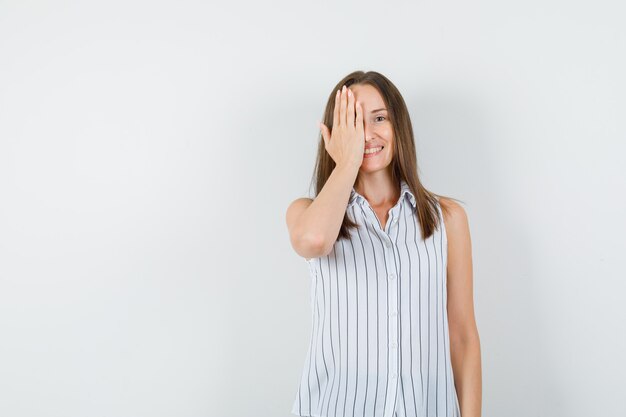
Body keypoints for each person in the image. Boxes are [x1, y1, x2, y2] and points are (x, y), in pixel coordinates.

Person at [285, 71, 481, 417]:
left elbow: (462, 338)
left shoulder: (448, 219)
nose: (368, 133)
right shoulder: (308, 214)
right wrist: (347, 161)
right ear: (335, 135)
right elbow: (314, 241)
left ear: (398, 126)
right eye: (353, 122)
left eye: (379, 118)